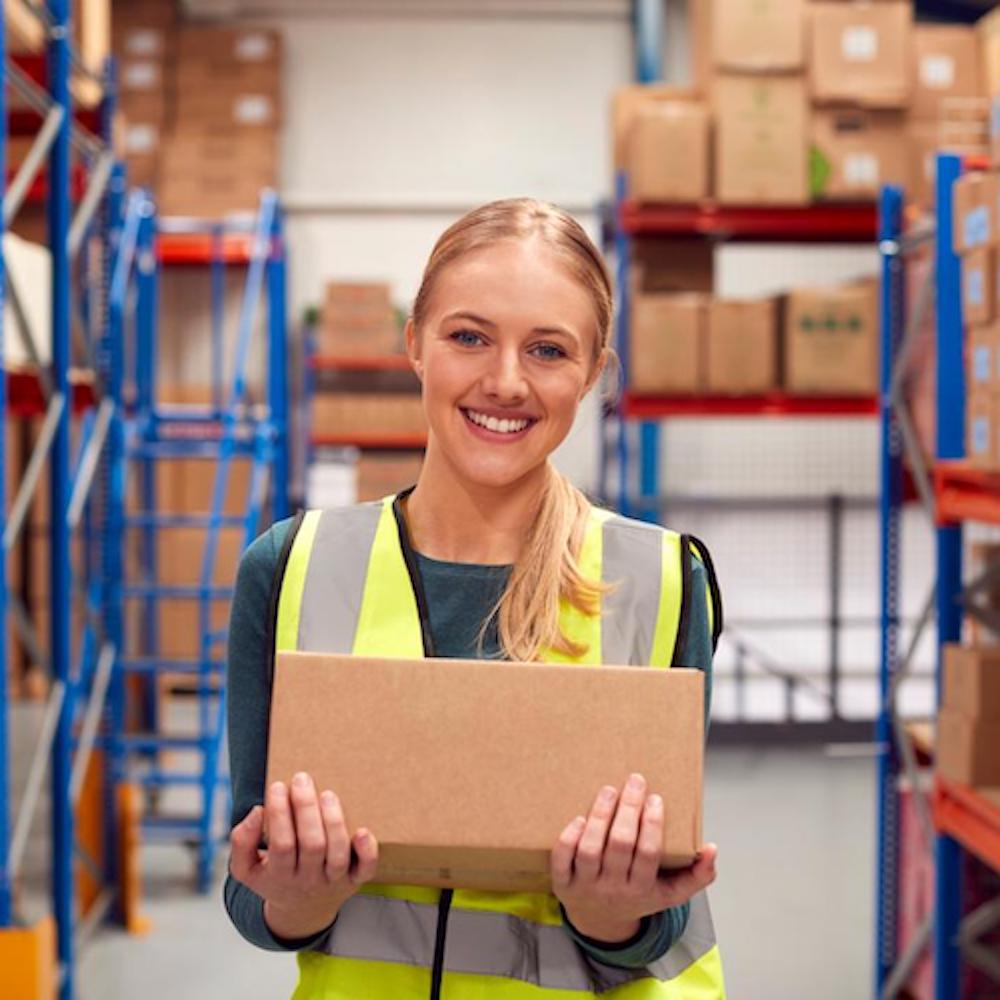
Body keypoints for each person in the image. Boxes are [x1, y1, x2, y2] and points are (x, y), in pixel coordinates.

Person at [224, 198, 726, 999]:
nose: (505, 382)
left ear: (594, 374)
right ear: (414, 342)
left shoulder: (661, 582)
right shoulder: (292, 568)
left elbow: (663, 917)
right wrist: (298, 898)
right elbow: (252, 893)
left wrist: (610, 915)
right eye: (469, 336)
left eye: (549, 350)